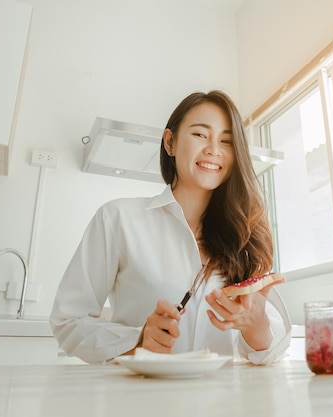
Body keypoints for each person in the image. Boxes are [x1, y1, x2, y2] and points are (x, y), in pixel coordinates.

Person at [50, 90, 291, 365]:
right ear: (170, 142)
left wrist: (256, 325)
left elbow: (269, 350)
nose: (213, 149)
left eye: (226, 141)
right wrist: (137, 342)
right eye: (201, 135)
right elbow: (68, 321)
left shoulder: (243, 235)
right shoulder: (117, 218)